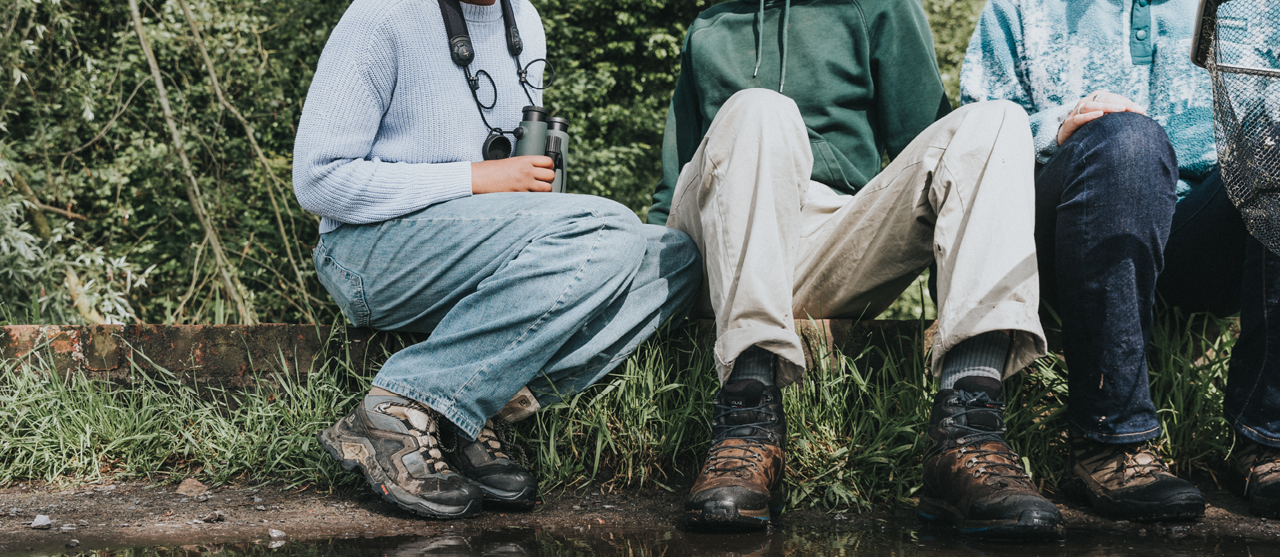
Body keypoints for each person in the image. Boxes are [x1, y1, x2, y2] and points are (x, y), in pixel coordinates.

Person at [651, 0, 1060, 539]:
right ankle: (746, 422)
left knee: (996, 120)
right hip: (723, 242)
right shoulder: (707, 26)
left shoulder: (880, 8)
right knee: (758, 109)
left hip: (835, 236)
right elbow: (669, 192)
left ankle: (969, 429)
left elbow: (939, 152)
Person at [292, 0, 700, 519]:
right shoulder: (382, 15)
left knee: (676, 257)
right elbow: (319, 180)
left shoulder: (524, 20)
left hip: (468, 247)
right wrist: (473, 179)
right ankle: (398, 408)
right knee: (607, 225)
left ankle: (470, 406)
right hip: (369, 252)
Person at [962, 0, 1280, 521]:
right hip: (1069, 236)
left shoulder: (1254, 8)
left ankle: (1269, 439)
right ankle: (1111, 441)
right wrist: (1059, 124)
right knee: (1128, 140)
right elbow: (976, 129)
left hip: (1198, 239)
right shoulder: (1018, 8)